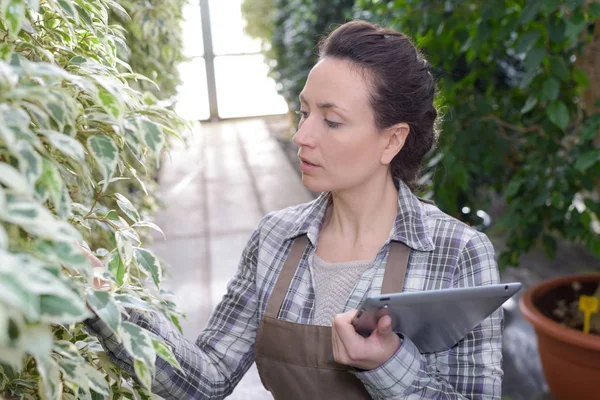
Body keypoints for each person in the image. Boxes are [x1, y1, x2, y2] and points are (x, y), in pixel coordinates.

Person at [85, 20, 503, 399]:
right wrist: (101, 299)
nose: (302, 135)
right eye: (304, 112)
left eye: (331, 121)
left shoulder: (456, 253)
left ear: (392, 141)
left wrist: (387, 365)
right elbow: (206, 379)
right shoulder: (275, 239)